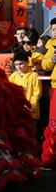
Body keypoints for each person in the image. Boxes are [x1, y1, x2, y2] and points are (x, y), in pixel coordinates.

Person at [40, 17, 56, 169]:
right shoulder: (51, 45)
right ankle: (51, 158)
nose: (55, 32)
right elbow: (45, 64)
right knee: (54, 124)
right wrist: (52, 58)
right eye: (53, 29)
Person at [9, 51, 42, 122]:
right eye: (16, 65)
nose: (19, 67)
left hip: (31, 110)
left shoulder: (34, 75)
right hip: (17, 109)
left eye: (21, 64)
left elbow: (37, 94)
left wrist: (30, 106)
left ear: (27, 62)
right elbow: (8, 88)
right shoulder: (14, 75)